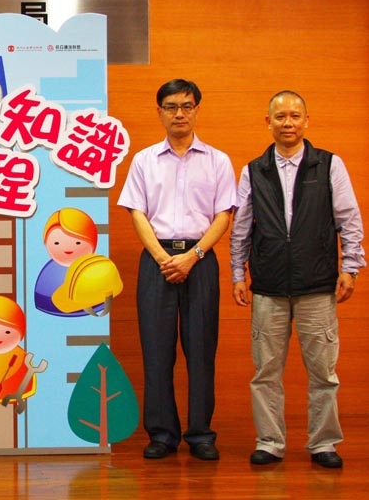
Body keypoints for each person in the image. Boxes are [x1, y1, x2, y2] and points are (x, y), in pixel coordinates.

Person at [230, 90, 365, 469]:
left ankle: (324, 443)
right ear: (268, 122)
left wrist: (351, 267)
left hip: (317, 285)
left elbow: (349, 218)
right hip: (268, 287)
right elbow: (241, 227)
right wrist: (238, 272)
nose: (287, 123)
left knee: (323, 372)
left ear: (307, 120)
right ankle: (269, 441)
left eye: (294, 116)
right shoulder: (254, 170)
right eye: (280, 116)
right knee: (265, 372)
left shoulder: (329, 165)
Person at [116, 79, 235, 461]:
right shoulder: (144, 160)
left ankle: (200, 434)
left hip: (200, 260)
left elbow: (223, 215)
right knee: (156, 351)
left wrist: (192, 256)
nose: (179, 113)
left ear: (197, 109)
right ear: (160, 112)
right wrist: (163, 258)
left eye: (187, 106)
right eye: (171, 107)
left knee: (201, 351)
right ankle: (162, 433)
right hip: (157, 262)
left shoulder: (217, 161)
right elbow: (137, 213)